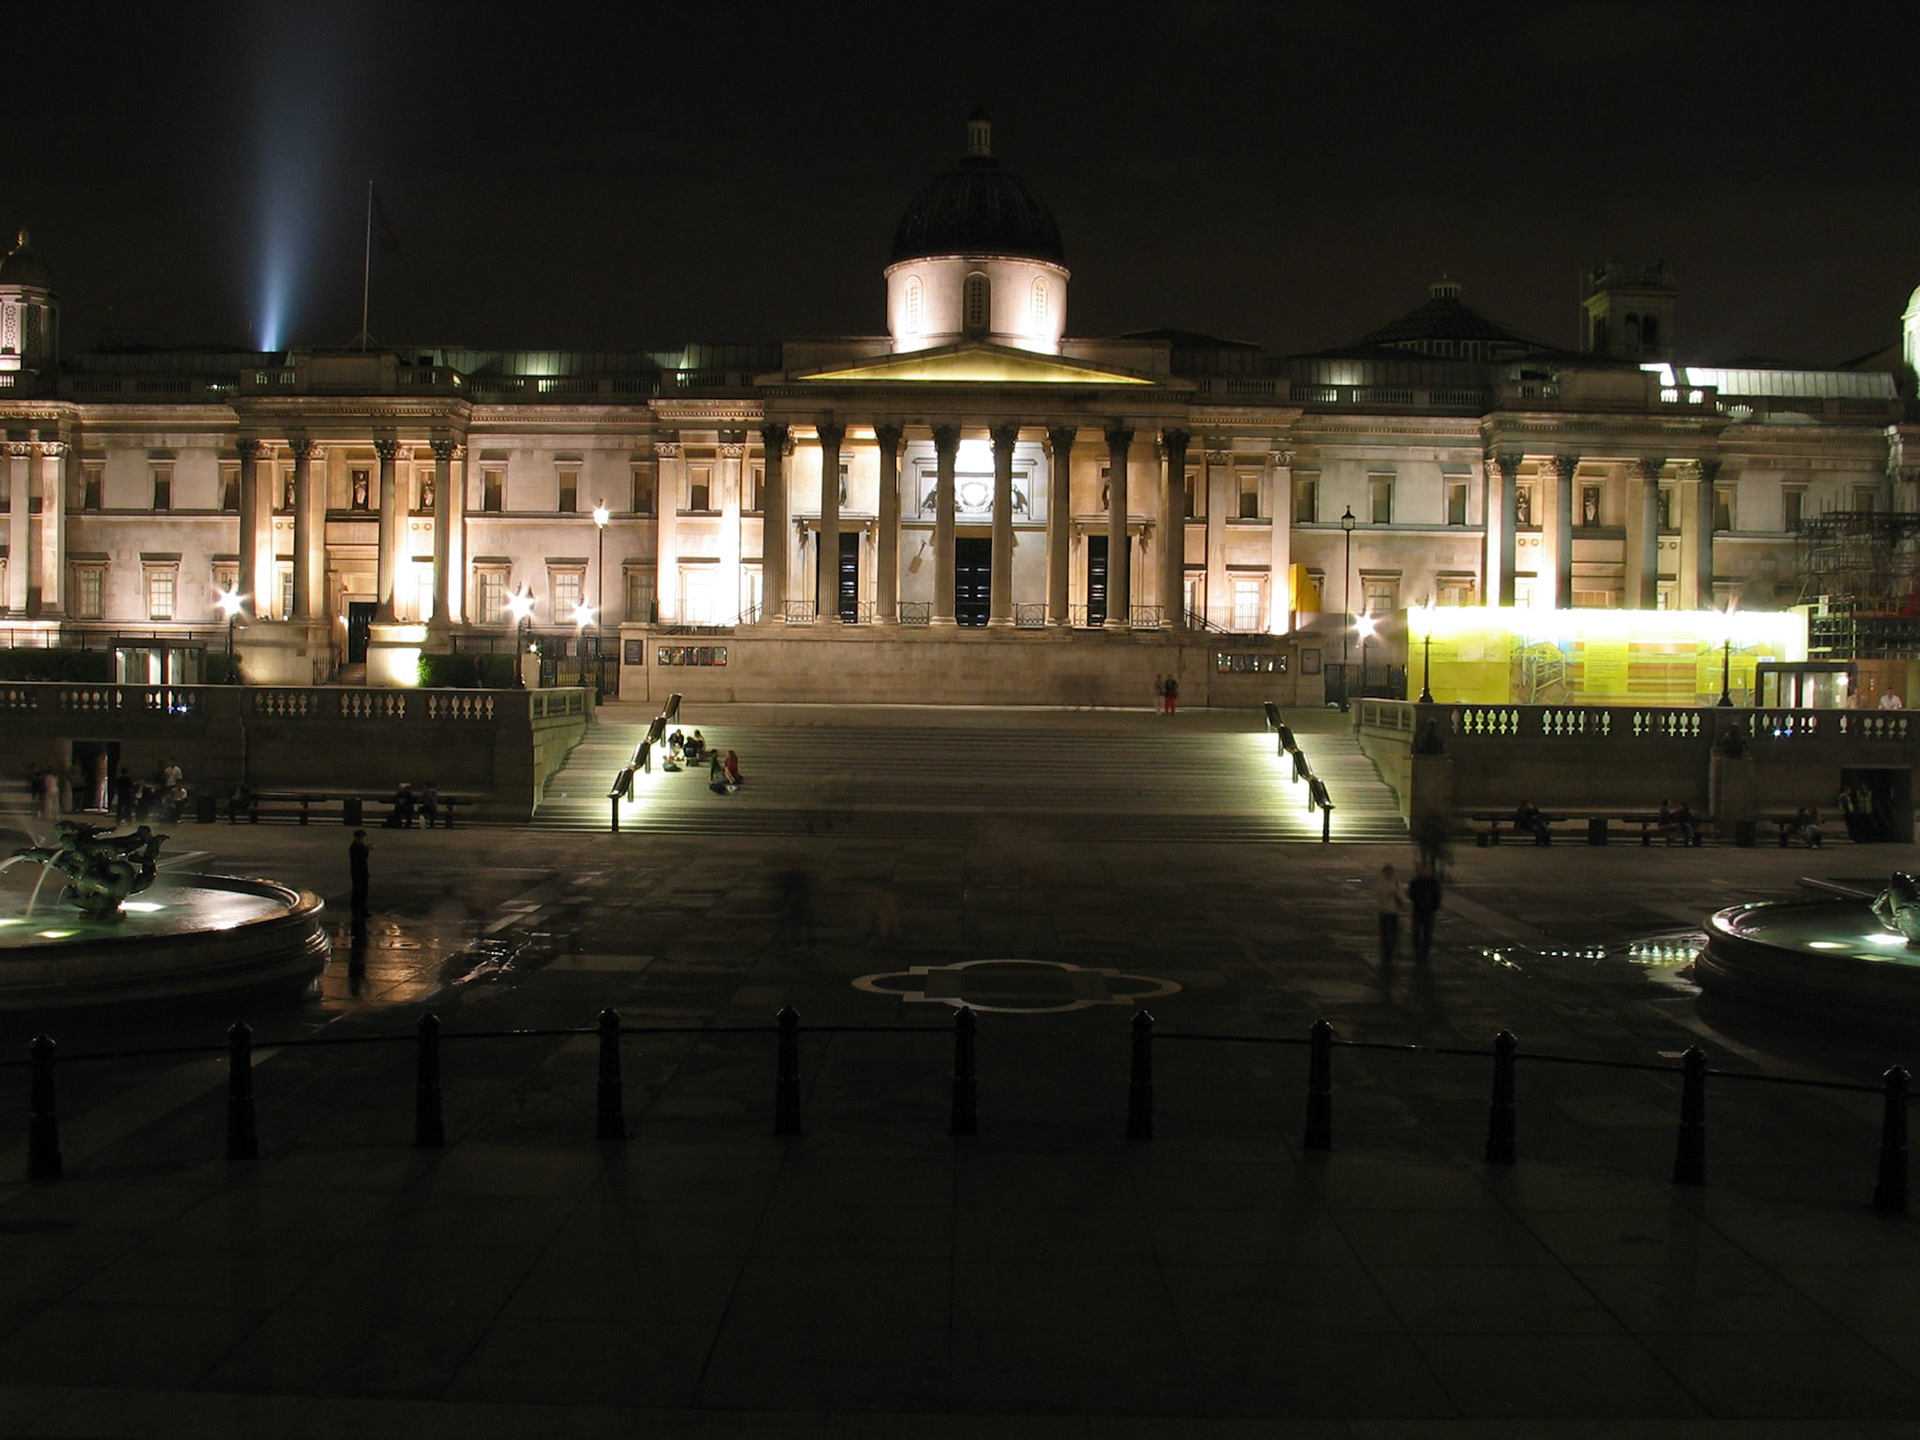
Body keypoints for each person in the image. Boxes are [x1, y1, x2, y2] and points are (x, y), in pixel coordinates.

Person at [1407, 861, 1441, 963]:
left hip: (1428, 911)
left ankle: (1424, 954)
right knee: (1416, 933)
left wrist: (1433, 907)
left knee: (1427, 934)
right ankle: (1418, 953)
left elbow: (1437, 896)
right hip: (1418, 910)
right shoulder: (1416, 881)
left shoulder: (1433, 882)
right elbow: (1411, 894)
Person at [1371, 863, 1403, 965]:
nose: (1389, 874)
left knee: (1393, 934)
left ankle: (1391, 953)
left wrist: (1395, 892)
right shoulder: (1381, 883)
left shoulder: (1397, 883)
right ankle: (1385, 953)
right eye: (1387, 873)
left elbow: (1401, 896)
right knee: (1384, 934)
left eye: (1391, 872)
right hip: (1384, 911)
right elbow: (1378, 896)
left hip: (1394, 911)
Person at [348, 829, 371, 920]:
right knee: (357, 892)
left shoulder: (360, 846)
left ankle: (362, 909)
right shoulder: (354, 847)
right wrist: (366, 850)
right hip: (357, 872)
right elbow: (360, 858)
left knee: (364, 892)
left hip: (363, 871)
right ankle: (357, 910)